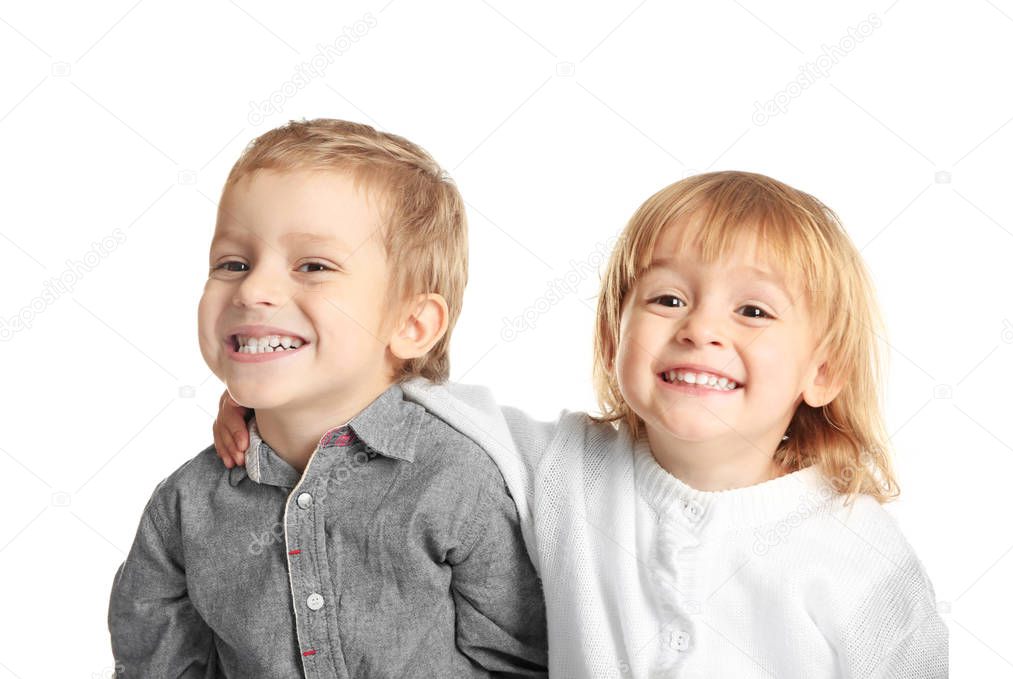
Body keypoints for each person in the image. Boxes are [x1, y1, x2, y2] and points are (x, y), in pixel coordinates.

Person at [214, 170, 948, 677]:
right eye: (666, 299)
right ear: (612, 339)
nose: (700, 328)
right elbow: (408, 393)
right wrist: (272, 395)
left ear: (821, 371)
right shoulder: (566, 467)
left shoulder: (855, 553)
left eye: (751, 310)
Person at [109, 118, 547, 678]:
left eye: (313, 266)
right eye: (233, 264)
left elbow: (525, 662)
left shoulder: (457, 480)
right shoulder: (185, 506)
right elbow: (156, 666)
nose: (253, 290)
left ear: (412, 323)